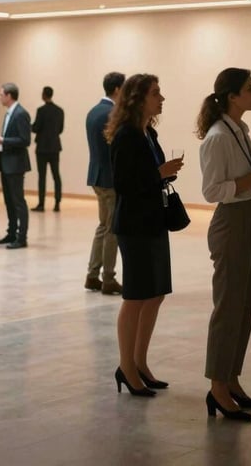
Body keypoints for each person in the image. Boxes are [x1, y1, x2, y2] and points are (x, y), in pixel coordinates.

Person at [196, 68, 251, 423]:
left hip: (250, 216)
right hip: (231, 222)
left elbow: (242, 181)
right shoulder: (217, 137)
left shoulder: (240, 129)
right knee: (228, 306)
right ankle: (217, 386)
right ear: (232, 96)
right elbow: (212, 191)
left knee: (245, 303)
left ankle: (231, 378)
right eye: (250, 89)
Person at [106, 74, 183, 397]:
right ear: (138, 98)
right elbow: (124, 184)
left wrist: (161, 174)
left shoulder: (148, 132)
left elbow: (147, 177)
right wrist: (159, 174)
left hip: (153, 220)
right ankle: (126, 366)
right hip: (135, 225)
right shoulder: (126, 135)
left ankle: (139, 362)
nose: (161, 98)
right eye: (155, 93)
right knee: (136, 296)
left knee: (155, 293)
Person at [84, 71, 125, 295]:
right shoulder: (112, 113)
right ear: (117, 89)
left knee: (103, 226)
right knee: (112, 230)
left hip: (97, 176)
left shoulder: (93, 111)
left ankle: (92, 275)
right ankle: (108, 278)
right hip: (111, 179)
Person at [0, 83, 31, 249]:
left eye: (1, 94)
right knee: (9, 200)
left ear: (9, 96)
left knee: (18, 201)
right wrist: (1, 142)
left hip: (15, 164)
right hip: (6, 162)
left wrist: (3, 140)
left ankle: (22, 237)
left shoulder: (21, 114)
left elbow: (25, 140)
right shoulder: (9, 113)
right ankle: (11, 232)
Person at [30, 86, 64, 213]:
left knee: (42, 176)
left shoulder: (41, 110)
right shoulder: (60, 111)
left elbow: (36, 128)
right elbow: (60, 129)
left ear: (44, 95)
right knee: (56, 175)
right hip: (55, 147)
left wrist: (29, 126)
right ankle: (57, 203)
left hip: (42, 148)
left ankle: (41, 204)